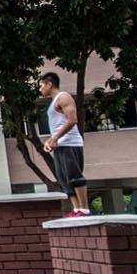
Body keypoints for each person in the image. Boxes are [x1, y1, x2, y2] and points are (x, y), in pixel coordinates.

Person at [40, 72, 90, 217]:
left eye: (41, 85)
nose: (40, 89)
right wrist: (51, 140)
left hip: (70, 143)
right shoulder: (53, 102)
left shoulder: (63, 97)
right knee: (65, 180)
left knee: (75, 176)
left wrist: (56, 138)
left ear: (49, 84)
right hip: (60, 145)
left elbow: (73, 120)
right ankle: (76, 209)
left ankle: (84, 209)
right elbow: (58, 125)